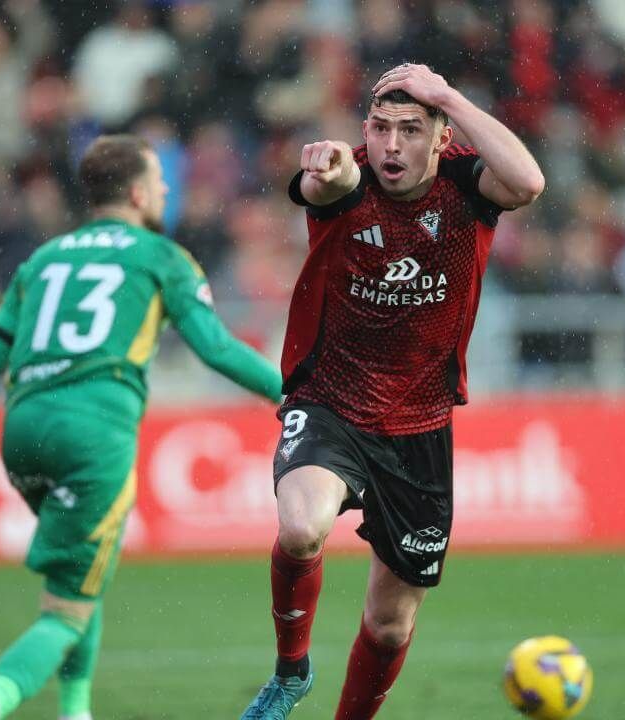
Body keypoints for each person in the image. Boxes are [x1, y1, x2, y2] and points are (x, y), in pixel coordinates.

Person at [0, 135, 283, 720]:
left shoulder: (44, 260)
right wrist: (303, 396)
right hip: (93, 436)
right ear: (135, 192)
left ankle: (75, 710)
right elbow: (217, 348)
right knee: (64, 612)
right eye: (158, 179)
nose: (166, 188)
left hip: (22, 432)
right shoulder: (161, 256)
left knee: (83, 574)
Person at [239, 63, 544, 719]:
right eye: (380, 129)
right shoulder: (349, 178)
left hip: (421, 428)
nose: (391, 146)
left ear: (442, 137)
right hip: (331, 404)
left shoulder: (468, 184)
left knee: (389, 625)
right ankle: (291, 671)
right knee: (300, 526)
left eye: (411, 130)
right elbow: (327, 186)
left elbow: (528, 181)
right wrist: (329, 170)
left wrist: (450, 97)